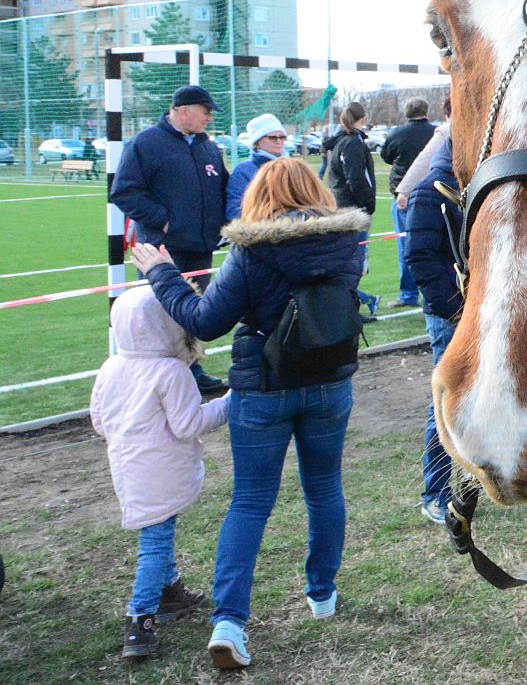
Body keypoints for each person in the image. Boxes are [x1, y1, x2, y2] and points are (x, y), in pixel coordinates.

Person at [128, 157, 367, 670]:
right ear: (316, 191)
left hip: (264, 388)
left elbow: (205, 321)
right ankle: (322, 594)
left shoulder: (252, 250)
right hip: (329, 381)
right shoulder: (348, 242)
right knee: (324, 488)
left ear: (259, 196)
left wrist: (160, 273)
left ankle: (230, 622)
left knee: (251, 502)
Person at [91, 286, 229, 660]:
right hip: (161, 468)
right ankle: (140, 622)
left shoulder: (111, 366)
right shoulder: (170, 371)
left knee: (158, 530)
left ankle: (171, 592)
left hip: (127, 465)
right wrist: (231, 402)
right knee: (155, 541)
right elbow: (189, 425)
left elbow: (100, 422)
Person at [110, 85, 229, 395]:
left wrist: (227, 224)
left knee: (194, 312)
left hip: (201, 246)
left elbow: (222, 189)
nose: (208, 118)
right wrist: (163, 220)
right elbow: (124, 191)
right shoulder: (146, 144)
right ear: (183, 110)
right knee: (156, 313)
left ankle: (191, 369)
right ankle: (151, 376)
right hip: (161, 251)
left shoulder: (208, 147)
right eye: (205, 112)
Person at [403, 134, 463, 523]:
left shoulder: (475, 183)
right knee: (446, 402)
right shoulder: (431, 191)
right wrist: (455, 309)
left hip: (478, 311)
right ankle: (436, 491)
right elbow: (420, 257)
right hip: (451, 315)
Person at [379, 98, 437, 309]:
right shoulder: (435, 133)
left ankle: (409, 294)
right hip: (432, 196)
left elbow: (386, 156)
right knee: (434, 247)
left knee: (406, 248)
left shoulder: (396, 134)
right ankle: (432, 294)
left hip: (404, 198)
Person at [326, 103, 380, 314]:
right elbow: (356, 179)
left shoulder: (345, 141)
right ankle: (351, 308)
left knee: (350, 260)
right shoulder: (351, 144)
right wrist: (367, 204)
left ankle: (354, 305)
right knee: (353, 261)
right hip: (351, 208)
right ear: (363, 119)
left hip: (343, 205)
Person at [226, 114, 288, 222]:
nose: (279, 141)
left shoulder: (294, 168)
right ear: (257, 142)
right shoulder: (243, 171)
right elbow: (235, 211)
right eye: (273, 138)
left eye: (282, 137)